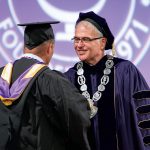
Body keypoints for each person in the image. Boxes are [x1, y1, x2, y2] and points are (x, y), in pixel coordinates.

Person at [64, 11, 150, 150]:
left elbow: (145, 116)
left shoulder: (125, 71)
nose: (79, 45)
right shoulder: (69, 77)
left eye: (85, 39)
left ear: (102, 42)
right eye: (76, 39)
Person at [0, 21, 91, 150]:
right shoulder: (51, 80)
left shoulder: (2, 75)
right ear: (50, 48)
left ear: (24, 47)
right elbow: (76, 117)